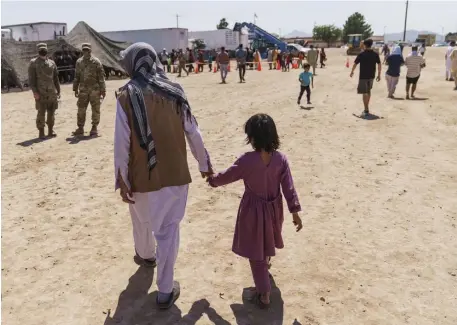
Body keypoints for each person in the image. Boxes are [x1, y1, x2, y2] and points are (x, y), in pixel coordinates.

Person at [114, 42, 213, 310]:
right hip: (175, 174)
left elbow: (121, 143)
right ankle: (165, 291)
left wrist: (122, 179)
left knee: (142, 220)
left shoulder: (126, 94)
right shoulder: (175, 91)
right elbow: (193, 131)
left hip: (140, 177)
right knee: (168, 231)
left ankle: (146, 256)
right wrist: (203, 162)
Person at [207, 113, 303, 309]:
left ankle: (264, 293)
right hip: (275, 210)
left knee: (255, 253)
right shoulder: (280, 159)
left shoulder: (247, 160)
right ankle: (265, 273)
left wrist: (212, 180)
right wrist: (295, 211)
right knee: (266, 243)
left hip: (252, 211)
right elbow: (289, 187)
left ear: (252, 138)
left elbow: (227, 176)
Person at [28, 43, 61, 139]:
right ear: (38, 51)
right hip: (40, 92)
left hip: (52, 92)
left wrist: (58, 90)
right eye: (41, 49)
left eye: (44, 49)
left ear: (47, 50)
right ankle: (41, 132)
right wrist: (35, 92)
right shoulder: (33, 63)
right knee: (41, 112)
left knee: (52, 112)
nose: (43, 51)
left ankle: (51, 130)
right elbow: (32, 80)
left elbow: (56, 78)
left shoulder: (52, 63)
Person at [72, 43, 106, 136]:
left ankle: (94, 127)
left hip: (95, 90)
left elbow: (101, 77)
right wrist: (75, 88)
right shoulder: (79, 62)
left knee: (95, 109)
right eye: (84, 50)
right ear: (82, 51)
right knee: (81, 109)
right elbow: (77, 76)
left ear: (90, 50)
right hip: (83, 90)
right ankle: (80, 128)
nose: (85, 52)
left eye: (87, 50)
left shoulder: (96, 62)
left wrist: (103, 89)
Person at [350, 39, 382, 117]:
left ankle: (366, 109)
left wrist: (352, 72)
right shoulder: (375, 54)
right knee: (368, 91)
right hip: (372, 76)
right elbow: (379, 64)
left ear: (365, 45)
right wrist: (379, 74)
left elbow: (355, 64)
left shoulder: (362, 54)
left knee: (365, 92)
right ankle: (366, 107)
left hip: (363, 76)